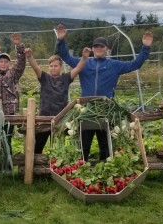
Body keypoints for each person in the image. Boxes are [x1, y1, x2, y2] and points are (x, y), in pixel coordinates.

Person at [56, 24, 154, 161]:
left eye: (101, 46)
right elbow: (65, 56)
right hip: (87, 110)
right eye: (96, 46)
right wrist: (60, 40)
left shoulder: (115, 65)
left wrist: (146, 47)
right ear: (92, 49)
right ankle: (82, 168)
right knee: (84, 144)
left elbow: (135, 64)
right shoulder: (83, 63)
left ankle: (104, 169)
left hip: (106, 109)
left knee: (105, 145)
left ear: (107, 49)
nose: (98, 48)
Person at [25, 46, 90, 154]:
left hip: (60, 119)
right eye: (51, 66)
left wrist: (84, 58)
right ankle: (36, 165)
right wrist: (30, 57)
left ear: (60, 67)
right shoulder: (44, 78)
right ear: (48, 67)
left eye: (55, 66)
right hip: (44, 118)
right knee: (38, 145)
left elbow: (78, 69)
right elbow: (36, 67)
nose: (53, 68)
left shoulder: (66, 78)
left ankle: (54, 166)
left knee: (57, 146)